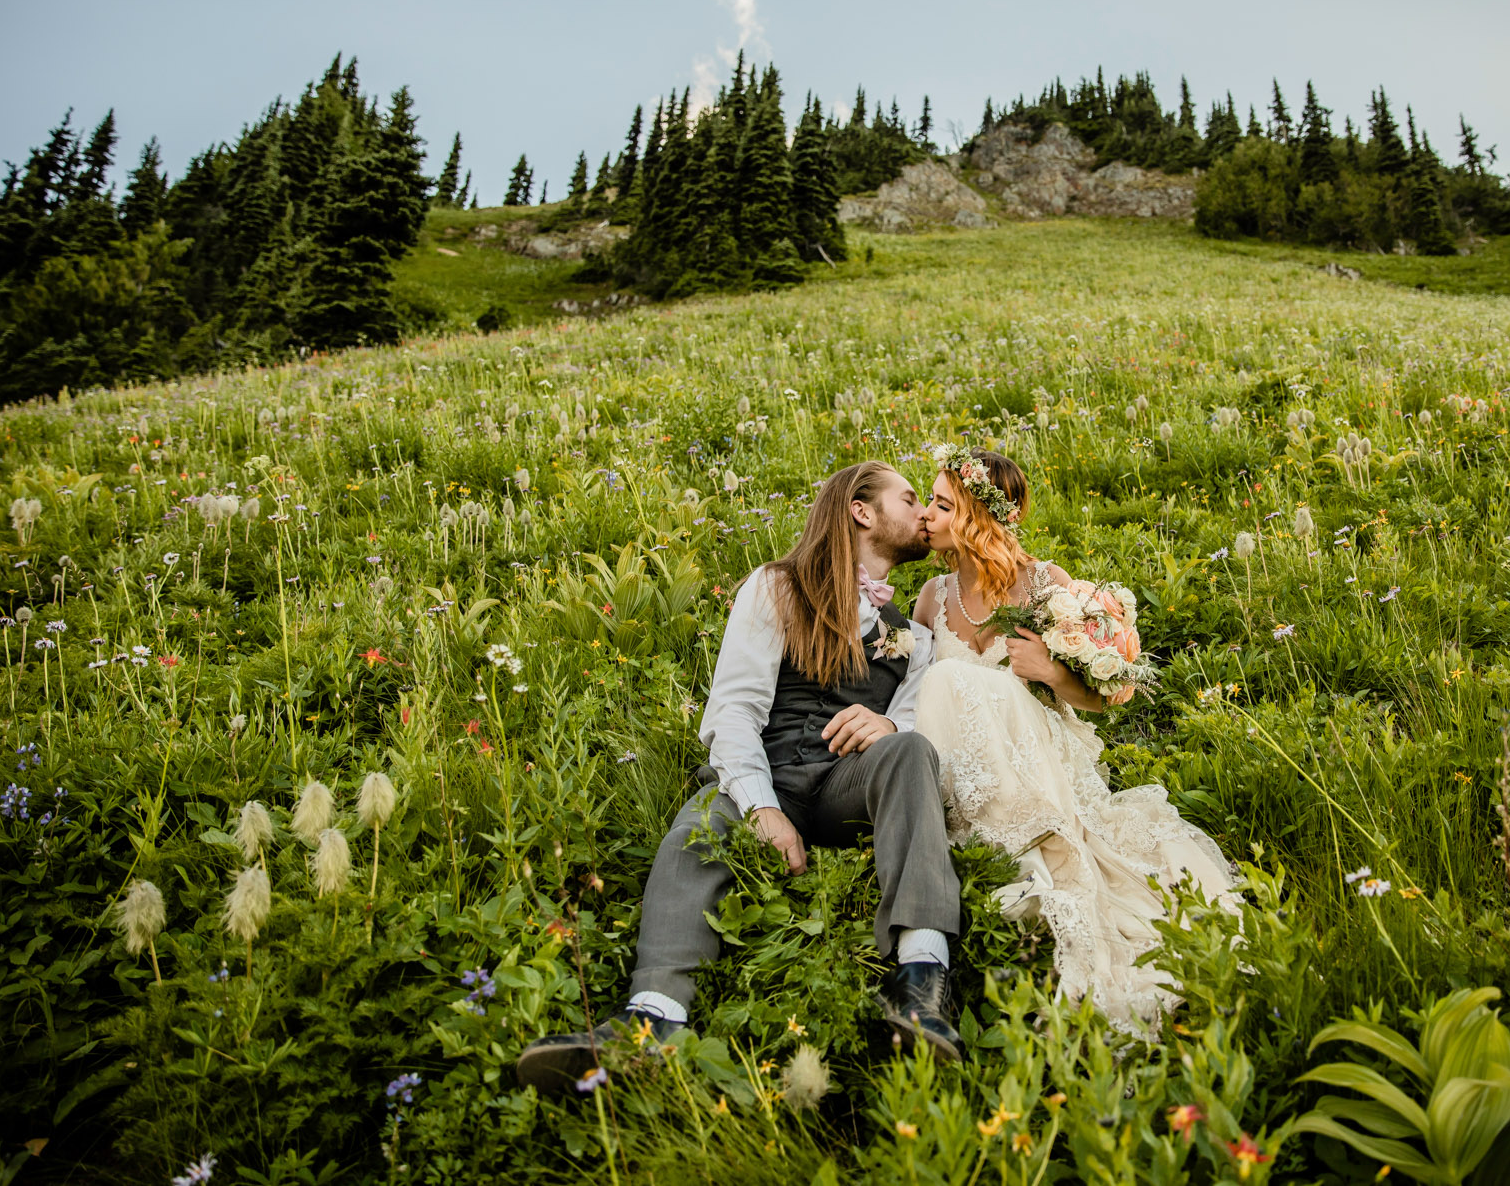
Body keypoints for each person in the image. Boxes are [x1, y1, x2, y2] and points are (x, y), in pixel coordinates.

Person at [516, 461, 964, 1093]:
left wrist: (890, 728)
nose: (925, 513)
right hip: (769, 773)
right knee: (701, 822)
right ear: (861, 511)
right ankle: (653, 1018)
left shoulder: (914, 639)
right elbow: (733, 711)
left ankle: (920, 981)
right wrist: (761, 807)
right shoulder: (778, 587)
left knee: (912, 749)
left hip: (846, 787)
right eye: (911, 498)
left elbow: (916, 717)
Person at [910, 445, 1239, 1038]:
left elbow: (1110, 696)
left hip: (1042, 756)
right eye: (928, 503)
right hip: (967, 770)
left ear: (977, 518)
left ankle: (1048, 851)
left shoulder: (1046, 584)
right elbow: (918, 700)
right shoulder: (932, 597)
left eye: (940, 504)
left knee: (952, 678)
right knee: (943, 681)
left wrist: (1052, 671)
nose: (925, 516)